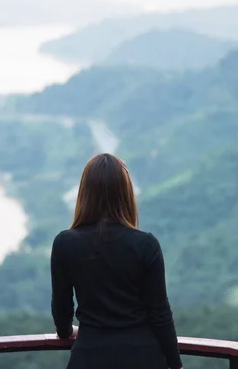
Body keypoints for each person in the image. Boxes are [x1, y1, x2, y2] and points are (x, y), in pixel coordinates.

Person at [50, 153, 183, 369]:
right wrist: (176, 365)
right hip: (143, 358)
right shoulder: (146, 244)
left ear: (84, 192)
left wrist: (66, 332)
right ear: (125, 193)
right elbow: (160, 314)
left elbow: (62, 308)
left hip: (89, 357)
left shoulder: (64, 243)